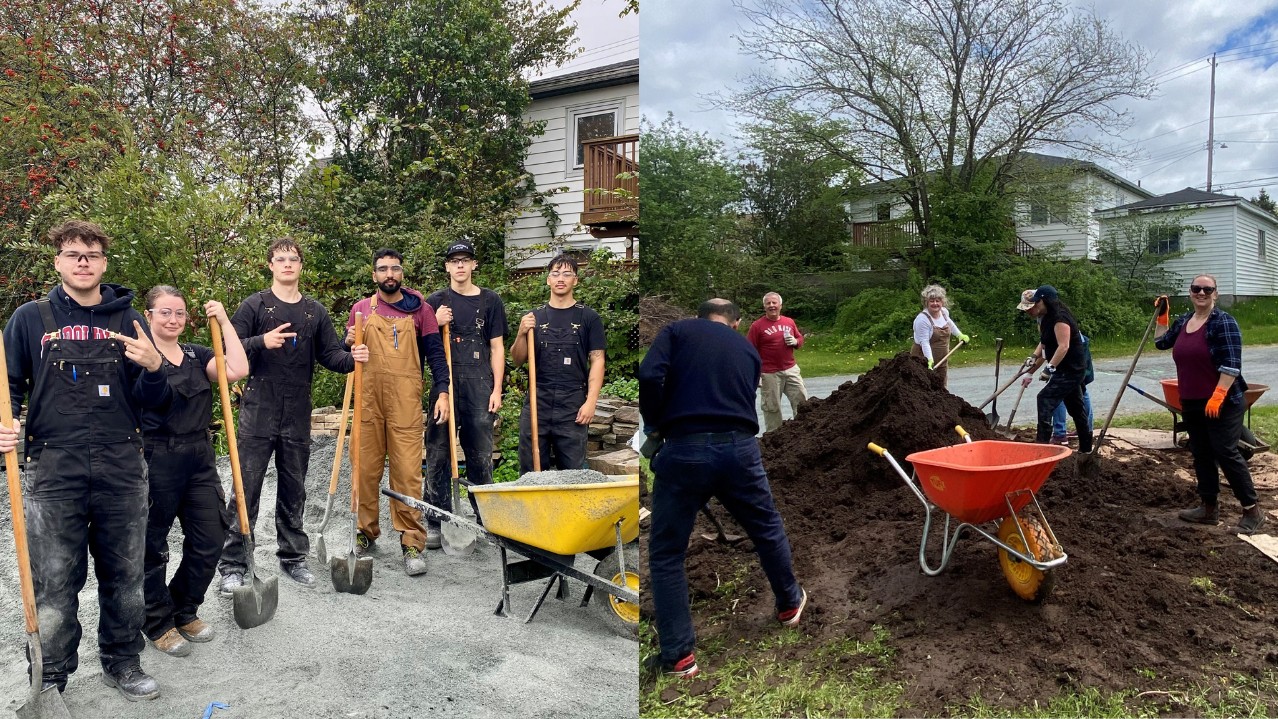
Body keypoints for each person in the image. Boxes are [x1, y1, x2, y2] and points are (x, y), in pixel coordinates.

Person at [2, 220, 171, 700]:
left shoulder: (131, 321)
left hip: (122, 464)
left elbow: (154, 402)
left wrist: (156, 368)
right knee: (54, 580)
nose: (83, 262)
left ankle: (123, 661)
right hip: (54, 467)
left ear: (104, 263)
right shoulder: (30, 319)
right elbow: (7, 387)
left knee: (125, 574)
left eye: (92, 255)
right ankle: (51, 676)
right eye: (73, 253)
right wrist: (5, 425)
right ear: (57, 260)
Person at [639, 298, 806, 680]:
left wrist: (655, 425)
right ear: (735, 322)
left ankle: (679, 655)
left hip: (684, 450)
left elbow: (649, 376)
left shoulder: (677, 331)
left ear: (699, 317)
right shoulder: (747, 348)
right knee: (766, 528)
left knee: (666, 552)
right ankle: (788, 604)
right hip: (739, 449)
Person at [218, 238, 368, 594]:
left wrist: (355, 357)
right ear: (270, 265)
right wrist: (260, 342)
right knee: (246, 487)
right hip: (258, 408)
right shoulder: (254, 306)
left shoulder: (314, 313)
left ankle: (292, 557)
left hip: (298, 410)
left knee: (294, 486)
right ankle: (234, 564)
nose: (287, 264)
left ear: (301, 266)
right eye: (280, 259)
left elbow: (332, 356)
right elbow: (230, 351)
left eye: (293, 259)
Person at [140, 288, 248, 657]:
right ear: (149, 314)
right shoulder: (140, 355)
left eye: (181, 313)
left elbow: (238, 369)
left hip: (199, 457)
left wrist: (224, 320)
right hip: (155, 457)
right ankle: (156, 622)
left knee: (210, 536)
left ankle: (183, 608)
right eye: (165, 312)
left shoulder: (196, 354)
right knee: (151, 546)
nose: (173, 319)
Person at [344, 248, 449, 574]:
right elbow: (345, 355)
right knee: (364, 468)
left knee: (406, 473)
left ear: (402, 273)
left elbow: (434, 355)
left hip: (405, 400)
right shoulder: (360, 310)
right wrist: (348, 342)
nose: (389, 274)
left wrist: (442, 391)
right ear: (374, 275)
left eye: (395, 268)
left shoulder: (422, 310)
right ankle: (364, 532)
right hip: (368, 400)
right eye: (383, 269)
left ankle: (411, 542)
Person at [1153, 275, 1265, 533]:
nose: (1201, 292)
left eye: (1207, 289)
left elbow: (1231, 364)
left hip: (1222, 401)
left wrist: (1218, 395)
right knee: (1201, 451)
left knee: (1224, 451)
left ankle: (1252, 510)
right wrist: (1162, 317)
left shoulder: (1223, 322)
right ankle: (1208, 508)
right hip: (1191, 400)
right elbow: (1160, 343)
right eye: (1196, 289)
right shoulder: (1184, 322)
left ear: (1215, 293)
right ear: (1191, 293)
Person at [424, 240, 507, 543]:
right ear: (447, 266)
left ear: (474, 265)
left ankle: (484, 520)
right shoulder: (435, 301)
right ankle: (435, 519)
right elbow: (421, 346)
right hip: (444, 385)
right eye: (454, 261)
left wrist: (497, 389)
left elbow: (497, 348)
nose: (459, 265)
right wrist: (435, 321)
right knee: (437, 453)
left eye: (465, 260)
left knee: (480, 455)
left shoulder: (490, 301)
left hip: (479, 386)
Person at [511, 254, 606, 473]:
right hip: (537, 400)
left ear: (576, 280)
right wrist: (521, 332)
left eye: (566, 274)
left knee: (573, 472)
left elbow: (598, 360)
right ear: (548, 280)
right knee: (530, 471)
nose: (560, 278)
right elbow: (517, 359)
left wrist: (591, 402)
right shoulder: (534, 317)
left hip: (572, 403)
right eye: (555, 274)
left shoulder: (589, 318)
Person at [1016, 286, 1093, 453]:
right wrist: (1033, 359)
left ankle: (1042, 448)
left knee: (1044, 398)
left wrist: (1049, 369)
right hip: (1064, 369)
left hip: (1072, 369)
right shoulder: (1045, 318)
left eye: (1033, 305)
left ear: (1044, 301)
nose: (1030, 311)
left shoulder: (1060, 318)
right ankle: (1086, 448)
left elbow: (1063, 347)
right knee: (1075, 407)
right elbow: (1045, 344)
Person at [746, 292, 807, 432]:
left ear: (780, 305)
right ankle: (774, 440)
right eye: (768, 303)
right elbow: (749, 350)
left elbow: (800, 338)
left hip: (791, 369)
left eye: (774, 303)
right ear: (764, 306)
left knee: (802, 401)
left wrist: (796, 341)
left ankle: (804, 433)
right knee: (772, 408)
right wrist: (756, 374)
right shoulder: (757, 326)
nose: (771, 306)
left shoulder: (789, 322)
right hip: (769, 373)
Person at [911, 284, 969, 388]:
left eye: (938, 300)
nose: (935, 303)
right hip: (923, 359)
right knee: (923, 387)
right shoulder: (922, 320)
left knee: (941, 387)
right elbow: (924, 342)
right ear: (926, 303)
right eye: (931, 301)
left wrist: (960, 335)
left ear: (942, 302)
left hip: (942, 358)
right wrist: (928, 360)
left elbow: (950, 324)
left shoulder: (944, 312)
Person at [1051, 333, 1093, 445]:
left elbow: (1059, 345)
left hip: (1069, 348)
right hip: (1077, 343)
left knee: (1058, 391)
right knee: (1081, 388)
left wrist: (1048, 367)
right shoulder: (1051, 317)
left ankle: (1060, 434)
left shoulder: (1051, 317)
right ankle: (1086, 429)